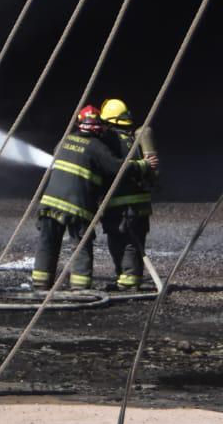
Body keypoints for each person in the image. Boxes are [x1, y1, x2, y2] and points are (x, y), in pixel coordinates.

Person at [32, 105, 120, 294]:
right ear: (98, 127)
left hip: (49, 203)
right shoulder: (97, 147)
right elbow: (117, 167)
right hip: (78, 206)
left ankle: (40, 283)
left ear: (79, 123)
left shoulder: (64, 141)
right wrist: (141, 166)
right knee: (81, 244)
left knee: (47, 242)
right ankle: (80, 287)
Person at [99, 98, 160, 291]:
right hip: (141, 205)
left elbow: (110, 167)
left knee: (120, 241)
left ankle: (128, 281)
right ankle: (129, 279)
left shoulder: (111, 142)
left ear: (109, 121)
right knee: (134, 241)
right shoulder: (134, 140)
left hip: (120, 205)